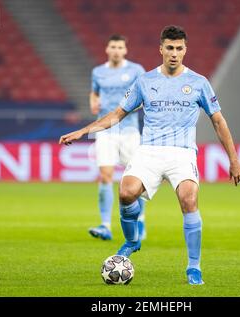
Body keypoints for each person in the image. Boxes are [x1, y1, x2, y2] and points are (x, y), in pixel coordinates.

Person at [60, 25, 240, 285]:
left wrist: (234, 159)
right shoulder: (145, 81)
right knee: (125, 193)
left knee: (189, 200)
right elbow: (116, 115)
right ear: (161, 49)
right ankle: (133, 240)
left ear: (185, 50)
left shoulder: (199, 82)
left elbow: (218, 121)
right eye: (169, 48)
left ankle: (194, 267)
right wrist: (83, 131)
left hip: (182, 153)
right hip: (150, 150)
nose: (174, 53)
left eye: (179, 48)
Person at [88, 34, 146, 241]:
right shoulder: (98, 72)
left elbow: (145, 95)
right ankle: (105, 225)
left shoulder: (136, 70)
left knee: (136, 178)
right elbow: (94, 93)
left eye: (119, 47)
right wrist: (93, 102)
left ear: (125, 50)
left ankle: (140, 220)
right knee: (105, 175)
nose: (116, 50)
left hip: (129, 130)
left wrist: (132, 107)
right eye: (112, 46)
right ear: (107, 49)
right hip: (105, 130)